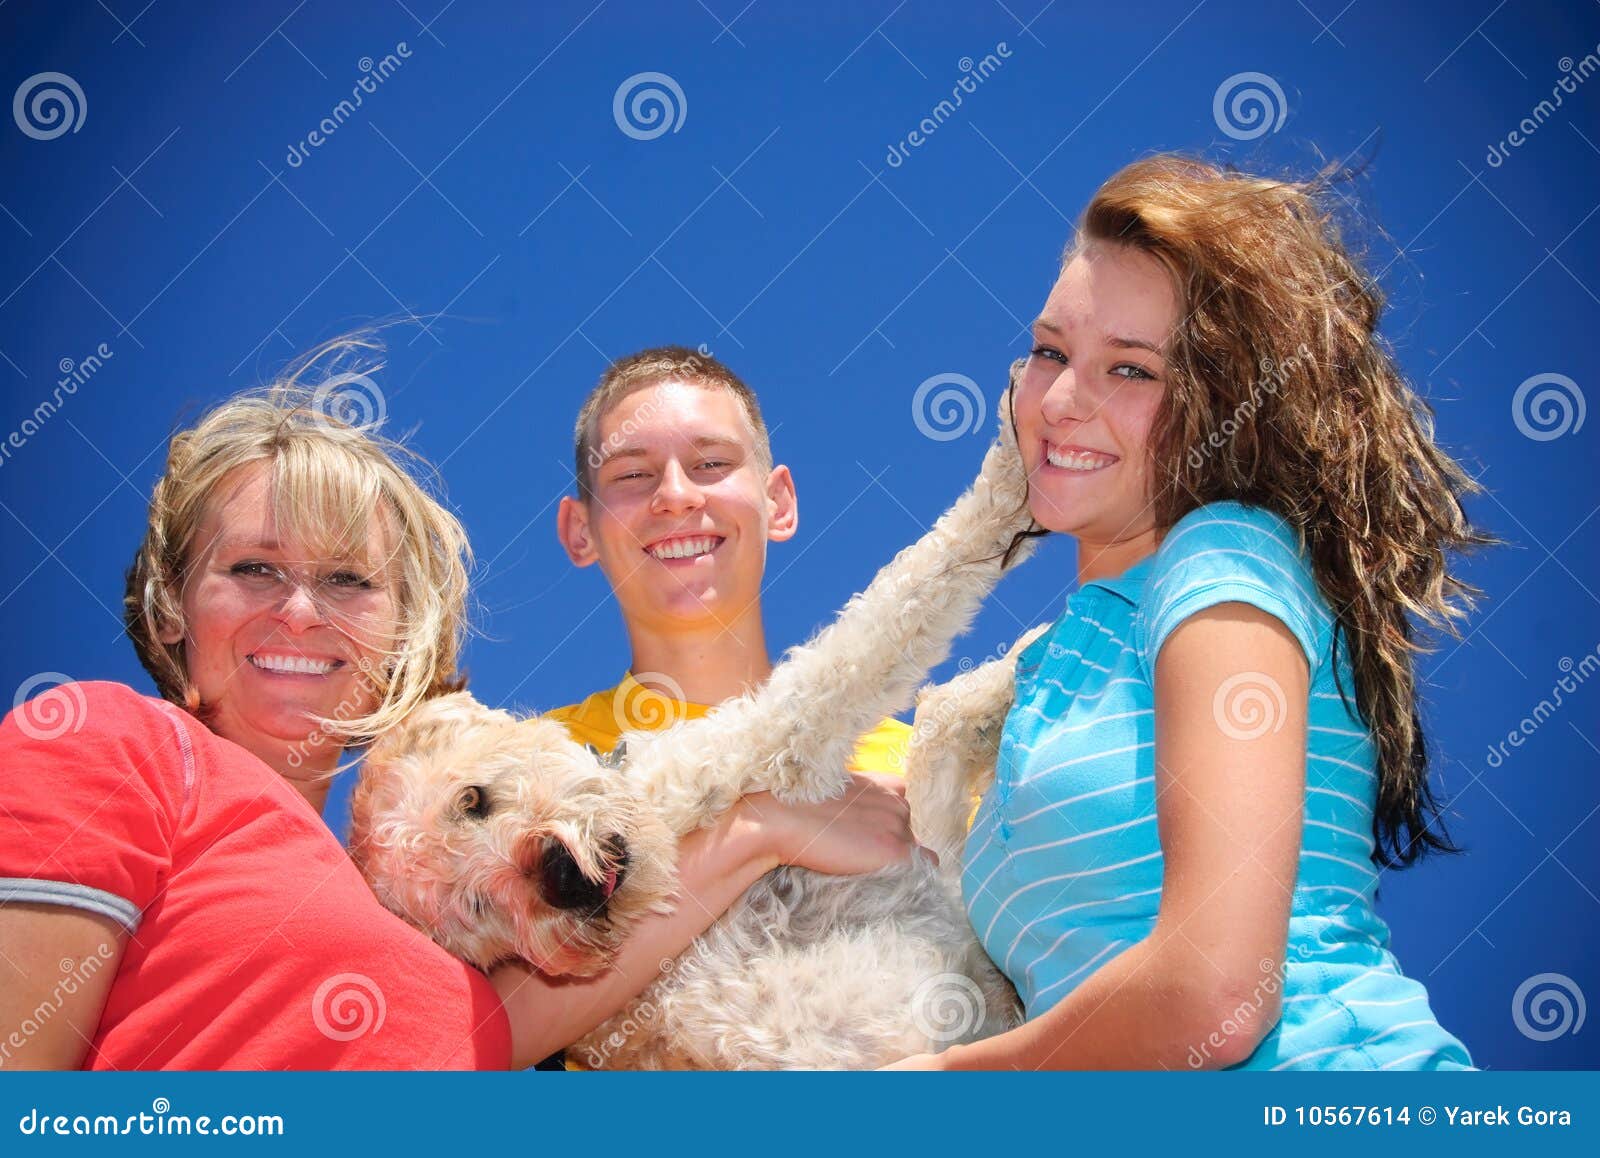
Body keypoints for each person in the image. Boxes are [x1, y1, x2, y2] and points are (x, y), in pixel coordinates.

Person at [0, 338, 918, 1070]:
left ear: (409, 636)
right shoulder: (113, 742)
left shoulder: (409, 904)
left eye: (349, 579)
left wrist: (758, 831)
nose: (300, 610)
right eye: (254, 569)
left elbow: (508, 1029)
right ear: (171, 615)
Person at [890, 155, 1484, 1070]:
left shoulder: (1223, 557)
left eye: (1131, 370)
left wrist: (932, 1087)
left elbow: (1217, 993)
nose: (1061, 401)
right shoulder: (1054, 665)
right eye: (1051, 350)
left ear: (1230, 404)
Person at [549, 346, 910, 774]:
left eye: (711, 463)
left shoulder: (915, 770)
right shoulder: (525, 772)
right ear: (580, 531)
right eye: (631, 475)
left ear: (778, 503)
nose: (676, 496)